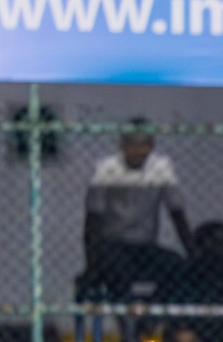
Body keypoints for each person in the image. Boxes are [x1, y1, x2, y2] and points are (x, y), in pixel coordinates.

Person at [82, 119, 191, 298]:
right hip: (112, 243)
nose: (138, 151)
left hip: (145, 245)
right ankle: (129, 322)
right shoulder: (106, 169)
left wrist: (192, 255)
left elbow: (177, 213)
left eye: (144, 146)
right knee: (120, 274)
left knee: (177, 268)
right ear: (122, 145)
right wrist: (91, 263)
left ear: (151, 146)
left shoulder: (161, 168)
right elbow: (92, 220)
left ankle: (156, 317)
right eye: (133, 145)